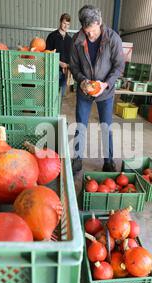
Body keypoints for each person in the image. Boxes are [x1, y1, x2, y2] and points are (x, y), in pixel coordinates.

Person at [70, 5, 125, 174]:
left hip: (105, 92)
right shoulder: (77, 40)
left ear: (99, 23)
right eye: (86, 32)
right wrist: (81, 81)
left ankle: (108, 162)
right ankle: (77, 160)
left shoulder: (113, 39)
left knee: (106, 127)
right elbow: (74, 66)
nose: (90, 35)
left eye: (92, 31)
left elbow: (119, 67)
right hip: (85, 91)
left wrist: (105, 84)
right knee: (81, 125)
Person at [46, 13, 73, 98]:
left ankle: (58, 110)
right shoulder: (52, 36)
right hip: (54, 71)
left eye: (68, 24)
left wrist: (68, 66)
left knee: (61, 95)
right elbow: (47, 53)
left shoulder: (70, 39)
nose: (66, 26)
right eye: (64, 23)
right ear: (60, 22)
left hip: (65, 72)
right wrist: (59, 63)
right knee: (52, 95)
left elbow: (71, 56)